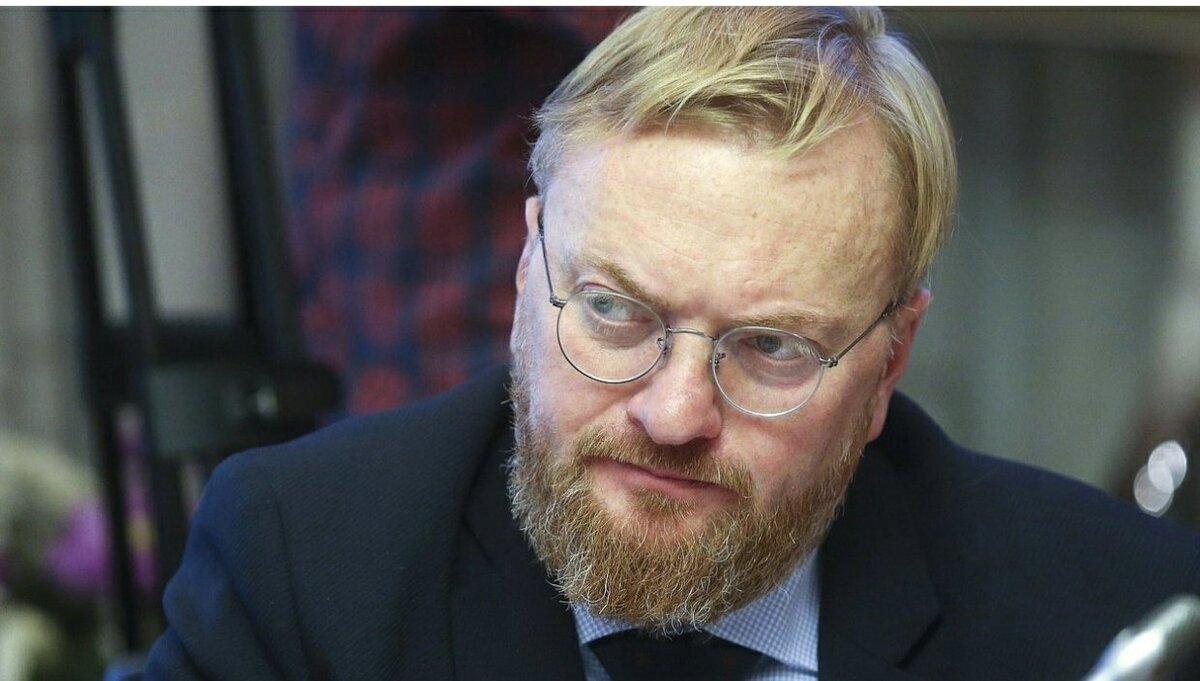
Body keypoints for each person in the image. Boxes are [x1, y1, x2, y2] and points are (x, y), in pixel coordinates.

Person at [143, 7, 1200, 680]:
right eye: (615, 312)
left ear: (889, 361)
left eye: (772, 347)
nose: (675, 413)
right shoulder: (306, 565)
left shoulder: (1111, 617)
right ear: (527, 273)